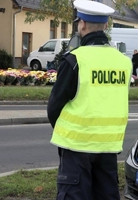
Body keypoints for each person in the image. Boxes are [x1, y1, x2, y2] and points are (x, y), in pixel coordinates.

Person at [47, 1, 132, 199]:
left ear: (82, 24)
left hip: (76, 148)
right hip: (108, 148)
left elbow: (54, 107)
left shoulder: (74, 60)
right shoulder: (124, 63)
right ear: (105, 25)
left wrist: (66, 131)